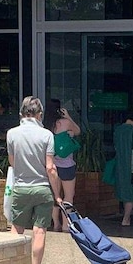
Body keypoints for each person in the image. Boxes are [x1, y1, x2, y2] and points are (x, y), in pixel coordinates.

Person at [6, 96, 63, 264]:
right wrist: (57, 195)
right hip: (42, 189)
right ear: (40, 114)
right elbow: (51, 168)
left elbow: (12, 162)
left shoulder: (12, 134)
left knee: (17, 229)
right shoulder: (47, 135)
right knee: (39, 231)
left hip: (21, 188)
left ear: (22, 113)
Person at [45, 98, 81, 232]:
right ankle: (66, 225)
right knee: (68, 196)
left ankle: (56, 224)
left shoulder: (45, 126)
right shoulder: (65, 123)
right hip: (67, 165)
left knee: (56, 195)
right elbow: (77, 131)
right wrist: (68, 116)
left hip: (52, 165)